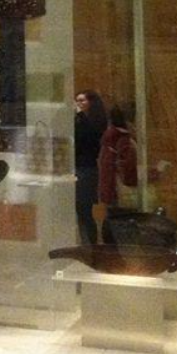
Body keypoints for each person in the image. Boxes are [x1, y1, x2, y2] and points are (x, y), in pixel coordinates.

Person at [72, 89, 108, 244]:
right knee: (81, 210)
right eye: (77, 101)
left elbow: (90, 139)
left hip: (87, 168)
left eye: (82, 100)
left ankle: (90, 245)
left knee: (84, 209)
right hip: (80, 166)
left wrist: (79, 115)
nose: (79, 104)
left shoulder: (95, 121)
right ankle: (86, 244)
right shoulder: (79, 120)